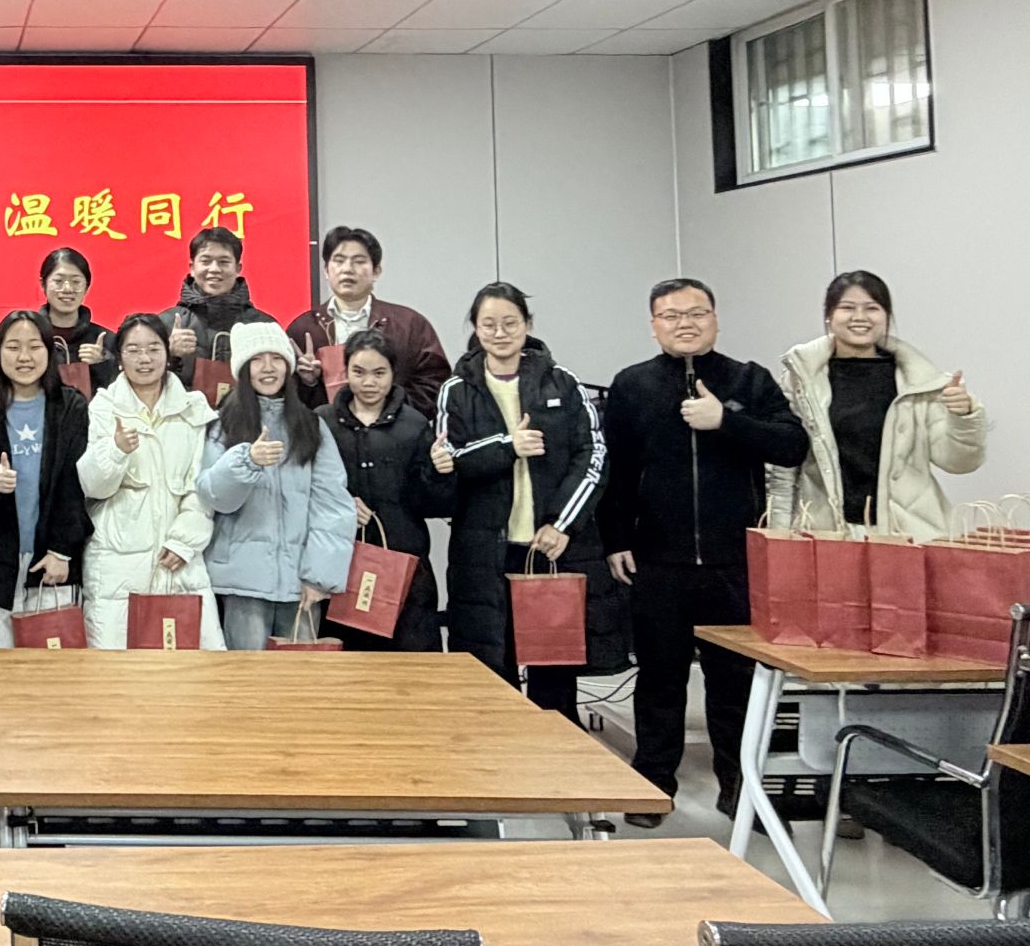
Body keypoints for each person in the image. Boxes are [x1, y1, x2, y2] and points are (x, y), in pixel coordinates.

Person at [601, 278, 809, 825]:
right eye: (671, 315)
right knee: (659, 678)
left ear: (716, 319)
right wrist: (616, 538)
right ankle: (653, 782)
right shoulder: (632, 385)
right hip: (657, 558)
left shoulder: (748, 379)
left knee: (734, 681)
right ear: (653, 326)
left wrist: (727, 422)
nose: (685, 323)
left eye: (696, 313)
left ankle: (740, 787)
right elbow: (616, 471)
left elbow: (792, 445)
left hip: (734, 560)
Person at [432, 282, 623, 723]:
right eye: (488, 325)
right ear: (475, 328)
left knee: (553, 672)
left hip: (548, 545)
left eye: (510, 323)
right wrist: (507, 446)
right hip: (484, 550)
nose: (500, 333)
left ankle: (557, 756)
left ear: (528, 324)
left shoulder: (563, 382)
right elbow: (449, 460)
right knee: (489, 670)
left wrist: (563, 524)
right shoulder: (456, 390)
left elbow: (593, 455)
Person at [770, 270, 986, 539]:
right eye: (847, 308)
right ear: (829, 316)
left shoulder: (919, 382)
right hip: (827, 534)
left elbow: (959, 463)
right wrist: (779, 532)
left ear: (887, 317)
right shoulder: (801, 379)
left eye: (872, 308)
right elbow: (783, 469)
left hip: (906, 534)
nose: (859, 317)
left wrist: (963, 416)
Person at [196, 321, 356, 649]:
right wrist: (247, 461)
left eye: (277, 358)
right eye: (257, 359)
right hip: (242, 583)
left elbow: (332, 505)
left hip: (301, 583)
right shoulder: (223, 424)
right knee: (247, 677)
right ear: (243, 369)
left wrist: (319, 575)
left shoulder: (311, 425)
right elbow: (214, 495)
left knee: (298, 678)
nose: (268, 368)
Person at [77, 313, 226, 650]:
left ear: (167, 353)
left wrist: (184, 541)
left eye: (153, 348)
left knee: (188, 668)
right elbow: (93, 487)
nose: (144, 359)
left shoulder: (192, 408)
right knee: (117, 669)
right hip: (117, 561)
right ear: (119, 358)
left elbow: (202, 485)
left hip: (179, 560)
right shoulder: (104, 407)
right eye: (133, 350)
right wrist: (116, 450)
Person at [0, 310, 92, 649]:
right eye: (13, 347)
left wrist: (63, 550)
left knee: (48, 670)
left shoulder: (70, 406)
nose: (24, 357)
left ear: (49, 352)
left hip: (50, 563)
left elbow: (76, 485)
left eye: (34, 347)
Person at [319, 330, 450, 651]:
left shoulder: (415, 424)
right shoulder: (322, 423)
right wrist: (340, 504)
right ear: (345, 371)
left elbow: (435, 505)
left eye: (379, 373)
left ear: (394, 374)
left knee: (410, 661)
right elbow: (305, 490)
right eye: (359, 372)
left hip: (405, 564)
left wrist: (439, 472)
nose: (369, 382)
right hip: (339, 564)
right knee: (348, 663)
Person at [286, 226, 451, 418]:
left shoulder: (409, 324)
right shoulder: (303, 328)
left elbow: (435, 383)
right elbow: (285, 397)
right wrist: (309, 383)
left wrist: (389, 410)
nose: (347, 269)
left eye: (359, 261)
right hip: (326, 431)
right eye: (339, 261)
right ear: (326, 270)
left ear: (376, 271)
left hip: (393, 430)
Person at [159, 227, 272, 387]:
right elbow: (140, 383)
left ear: (238, 269)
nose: (214, 269)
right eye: (206, 261)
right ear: (192, 268)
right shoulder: (165, 324)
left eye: (224, 262)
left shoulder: (263, 326)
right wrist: (168, 355)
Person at [37, 247, 118, 390]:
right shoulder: (30, 336)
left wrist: (103, 363)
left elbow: (123, 391)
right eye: (58, 281)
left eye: (76, 282)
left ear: (86, 287)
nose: (67, 289)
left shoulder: (107, 340)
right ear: (43, 284)